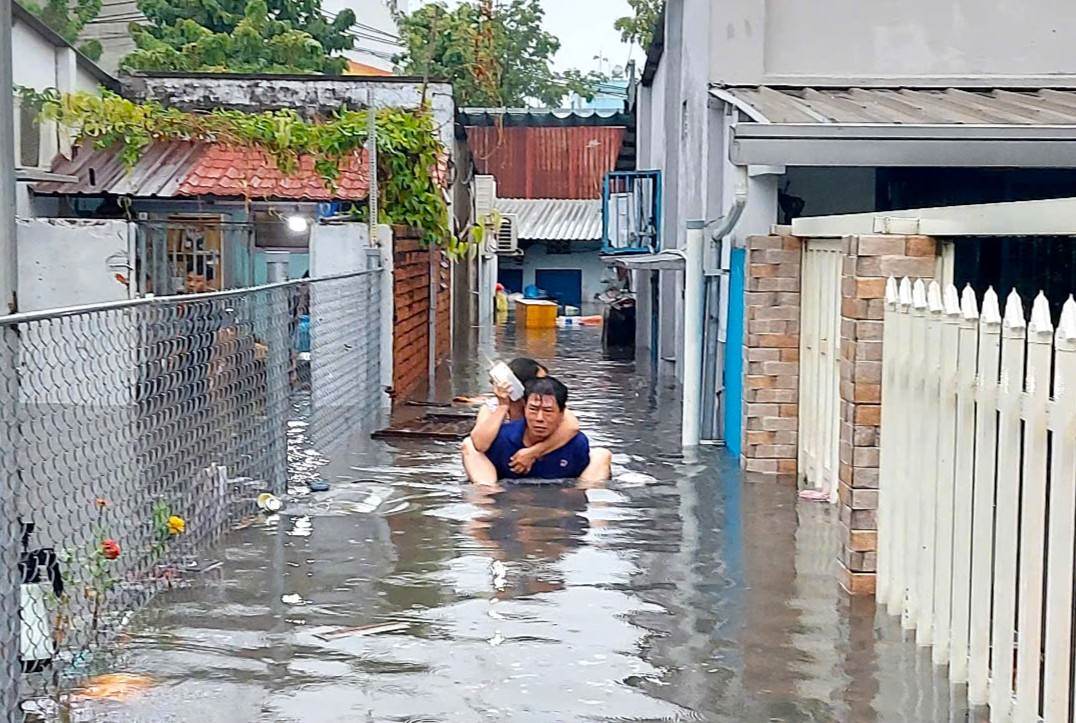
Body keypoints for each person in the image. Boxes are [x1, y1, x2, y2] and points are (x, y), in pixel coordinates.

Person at [461, 377, 612, 485]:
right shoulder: (502, 439)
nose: (539, 418)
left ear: (562, 413)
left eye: (548, 411)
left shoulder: (576, 444)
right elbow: (477, 445)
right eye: (533, 409)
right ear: (524, 409)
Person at [471, 357, 582, 475]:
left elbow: (572, 427)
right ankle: (488, 489)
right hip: (503, 464)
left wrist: (534, 452)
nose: (545, 385)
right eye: (540, 380)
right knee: (469, 446)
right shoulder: (492, 407)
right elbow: (479, 444)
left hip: (543, 460)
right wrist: (503, 407)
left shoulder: (547, 406)